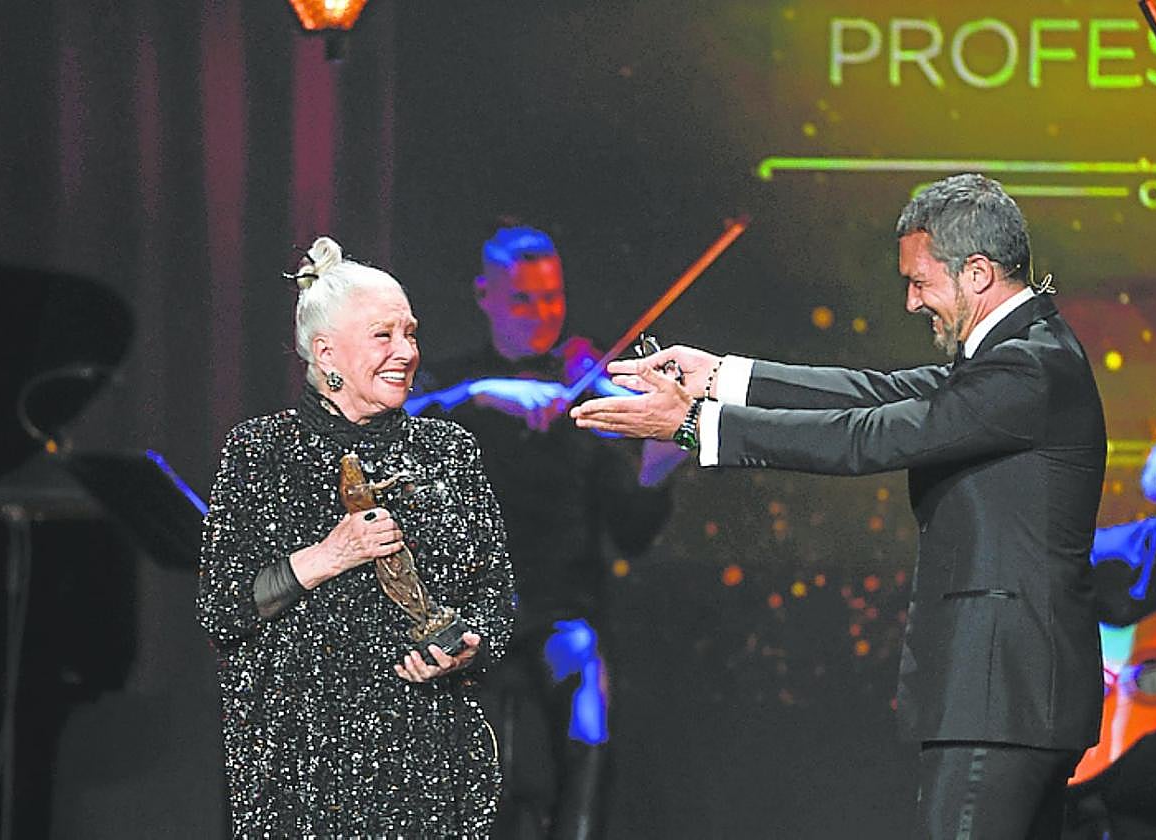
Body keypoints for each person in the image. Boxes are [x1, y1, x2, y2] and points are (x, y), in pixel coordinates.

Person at [571, 174, 1107, 839]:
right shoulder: (1020, 356)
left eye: (920, 282)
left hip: (1002, 693)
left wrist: (694, 424)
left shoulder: (1026, 369)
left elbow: (869, 436)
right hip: (1010, 695)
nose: (911, 302)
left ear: (976, 273)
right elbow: (872, 393)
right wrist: (723, 376)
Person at [196, 237, 515, 838]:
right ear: (326, 353)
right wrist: (329, 556)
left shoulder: (448, 451)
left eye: (410, 334)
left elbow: (495, 595)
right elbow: (221, 608)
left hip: (429, 759)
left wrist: (468, 647)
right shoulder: (261, 451)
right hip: (304, 766)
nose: (406, 352)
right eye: (383, 336)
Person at [406, 226, 684, 839]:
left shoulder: (584, 394)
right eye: (523, 299)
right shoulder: (453, 384)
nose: (541, 314)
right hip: (460, 609)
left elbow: (631, 533)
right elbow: (390, 434)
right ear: (485, 296)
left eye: (552, 298)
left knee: (588, 705)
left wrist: (658, 468)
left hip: (559, 610)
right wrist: (480, 395)